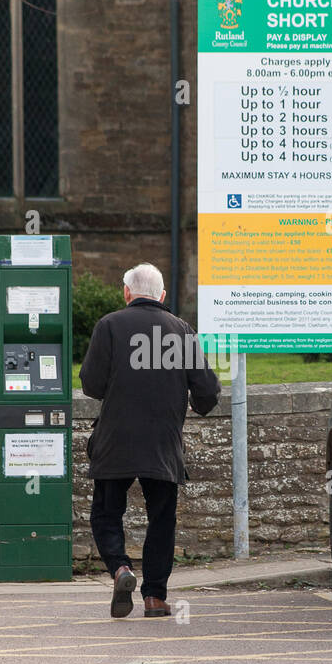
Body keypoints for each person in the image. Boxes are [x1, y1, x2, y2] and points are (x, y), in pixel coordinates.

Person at [79, 263, 222, 618]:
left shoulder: (109, 325)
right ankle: (155, 597)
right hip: (163, 443)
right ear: (161, 296)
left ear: (127, 292)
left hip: (116, 439)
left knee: (106, 513)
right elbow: (207, 393)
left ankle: (121, 569)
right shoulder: (182, 331)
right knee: (162, 519)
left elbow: (91, 384)